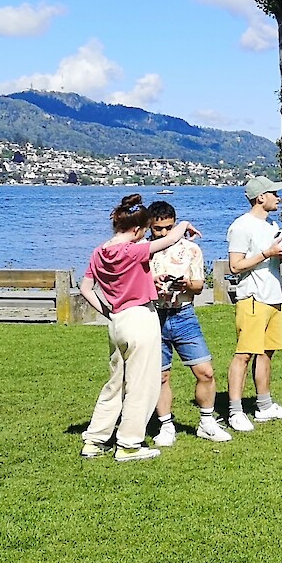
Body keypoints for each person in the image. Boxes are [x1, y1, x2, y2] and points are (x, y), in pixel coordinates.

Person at [78, 194, 200, 462]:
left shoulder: (99, 253)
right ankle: (129, 444)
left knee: (115, 384)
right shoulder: (133, 250)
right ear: (136, 229)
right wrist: (185, 224)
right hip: (141, 319)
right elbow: (169, 240)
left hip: (118, 322)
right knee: (142, 385)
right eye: (144, 231)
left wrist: (108, 311)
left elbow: (86, 288)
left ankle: (95, 439)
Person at [147, 201, 232, 447]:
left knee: (205, 371)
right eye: (158, 229)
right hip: (155, 315)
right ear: (150, 227)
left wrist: (185, 284)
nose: (163, 234)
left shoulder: (191, 250)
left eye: (168, 228)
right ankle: (165, 426)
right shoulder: (144, 250)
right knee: (161, 376)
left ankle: (207, 422)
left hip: (184, 315)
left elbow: (198, 286)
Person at [225, 175, 282, 432]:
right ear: (261, 197)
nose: (278, 198)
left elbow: (271, 263)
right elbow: (235, 266)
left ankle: (264, 406)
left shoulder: (272, 228)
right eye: (274, 194)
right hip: (253, 298)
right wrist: (267, 253)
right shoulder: (241, 226)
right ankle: (235, 411)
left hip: (273, 297)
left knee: (267, 353)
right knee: (244, 354)